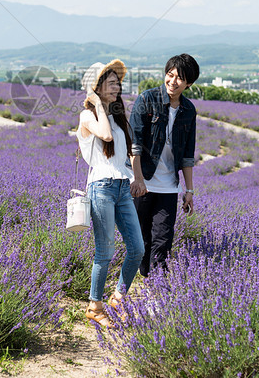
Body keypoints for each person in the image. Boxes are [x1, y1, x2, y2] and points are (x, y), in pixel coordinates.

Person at [78, 59, 145, 328]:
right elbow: (105, 136)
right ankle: (95, 305)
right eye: (112, 82)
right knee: (104, 251)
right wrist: (96, 104)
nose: (118, 86)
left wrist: (137, 177)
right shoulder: (87, 116)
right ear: (96, 87)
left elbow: (131, 151)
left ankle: (118, 298)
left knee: (137, 249)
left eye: (119, 82)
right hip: (101, 187)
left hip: (122, 188)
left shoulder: (119, 118)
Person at [129, 53, 200, 276]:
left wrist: (188, 190)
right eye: (170, 75)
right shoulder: (146, 99)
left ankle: (155, 287)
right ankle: (140, 277)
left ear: (188, 83)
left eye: (180, 78)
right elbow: (135, 144)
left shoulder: (188, 110)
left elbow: (188, 155)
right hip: (144, 181)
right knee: (141, 240)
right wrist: (138, 179)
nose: (173, 81)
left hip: (169, 185)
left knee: (163, 241)